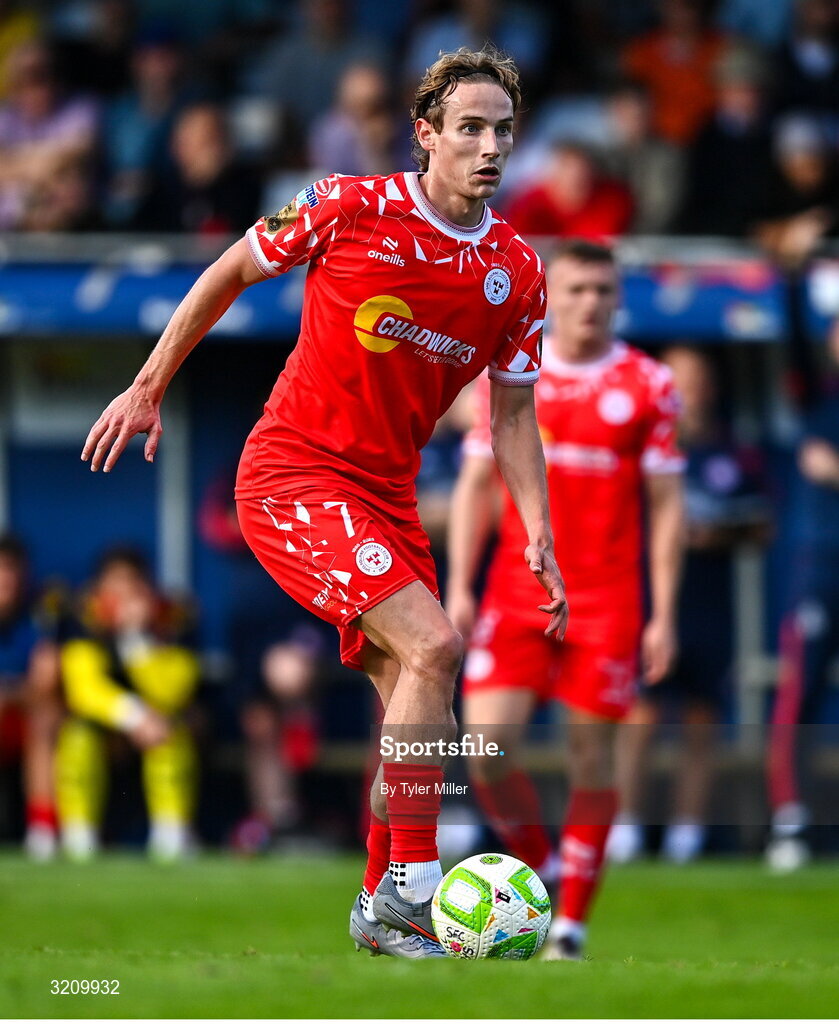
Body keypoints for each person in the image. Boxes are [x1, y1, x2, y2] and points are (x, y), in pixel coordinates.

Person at [81, 46, 568, 959]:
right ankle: (414, 890)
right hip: (292, 474)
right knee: (436, 644)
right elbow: (228, 271)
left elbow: (511, 412)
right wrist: (148, 386)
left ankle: (375, 909)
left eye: (503, 130)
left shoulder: (514, 269)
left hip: (385, 494)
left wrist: (538, 528)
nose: (489, 146)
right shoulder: (350, 203)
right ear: (425, 134)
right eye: (469, 128)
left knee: (416, 712)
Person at [447, 240, 684, 960]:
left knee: (591, 761)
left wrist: (663, 612)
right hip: (513, 593)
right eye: (576, 289)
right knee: (484, 750)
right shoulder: (512, 374)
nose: (590, 304)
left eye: (602, 291)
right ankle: (541, 867)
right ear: (550, 295)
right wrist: (457, 583)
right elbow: (476, 486)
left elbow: (668, 504)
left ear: (617, 298)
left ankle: (571, 925)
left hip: (605, 601)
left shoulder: (648, 384)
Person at [608, 345, 772, 865]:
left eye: (697, 380)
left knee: (703, 718)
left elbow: (763, 523)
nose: (688, 392)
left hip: (709, 603)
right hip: (648, 599)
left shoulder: (733, 453)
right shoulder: (635, 450)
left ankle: (687, 834)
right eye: (679, 381)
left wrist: (714, 535)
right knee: (641, 715)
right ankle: (627, 829)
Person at [56, 548, 200, 862]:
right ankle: (79, 836)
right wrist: (133, 716)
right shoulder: (81, 619)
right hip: (106, 724)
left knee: (169, 732)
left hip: (158, 724)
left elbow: (175, 690)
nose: (125, 596)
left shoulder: (174, 618)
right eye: (115, 586)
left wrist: (139, 642)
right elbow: (83, 689)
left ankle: (171, 834)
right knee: (77, 736)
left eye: (134, 585)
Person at [765, 320, 839, 871]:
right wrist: (789, 271)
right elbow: (793, 345)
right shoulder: (819, 399)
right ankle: (789, 820)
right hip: (820, 566)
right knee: (800, 692)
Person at [0, 534, 61, 861]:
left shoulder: (38, 617)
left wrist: (9, 694)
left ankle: (42, 831)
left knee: (46, 719)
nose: (5, 578)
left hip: (22, 723)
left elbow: (45, 683)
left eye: (11, 569)